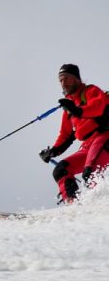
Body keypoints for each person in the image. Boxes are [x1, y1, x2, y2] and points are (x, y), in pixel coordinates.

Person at [39, 63, 109, 204]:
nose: (63, 83)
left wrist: (76, 110)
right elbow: (66, 134)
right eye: (61, 80)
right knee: (61, 170)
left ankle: (99, 206)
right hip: (88, 145)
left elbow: (98, 107)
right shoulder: (68, 107)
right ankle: (74, 204)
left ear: (77, 79)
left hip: (104, 137)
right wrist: (52, 151)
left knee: (91, 172)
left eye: (67, 78)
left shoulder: (90, 91)